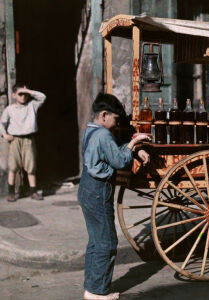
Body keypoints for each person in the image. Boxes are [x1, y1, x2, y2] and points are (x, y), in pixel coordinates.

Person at [79, 93, 151, 300]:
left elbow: (109, 153)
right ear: (104, 115)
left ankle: (91, 288)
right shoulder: (103, 135)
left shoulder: (91, 131)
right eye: (115, 119)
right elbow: (119, 161)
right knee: (107, 242)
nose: (116, 124)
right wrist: (134, 143)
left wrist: (134, 151)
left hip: (86, 189)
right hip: (98, 191)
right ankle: (98, 292)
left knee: (95, 241)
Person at [0, 83, 46, 202]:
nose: (23, 97)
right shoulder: (9, 109)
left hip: (28, 139)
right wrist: (5, 135)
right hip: (15, 139)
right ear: (14, 95)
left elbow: (42, 97)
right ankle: (11, 193)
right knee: (13, 166)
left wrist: (29, 91)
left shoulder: (32, 106)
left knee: (31, 166)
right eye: (20, 94)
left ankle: (33, 191)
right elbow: (2, 123)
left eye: (25, 94)